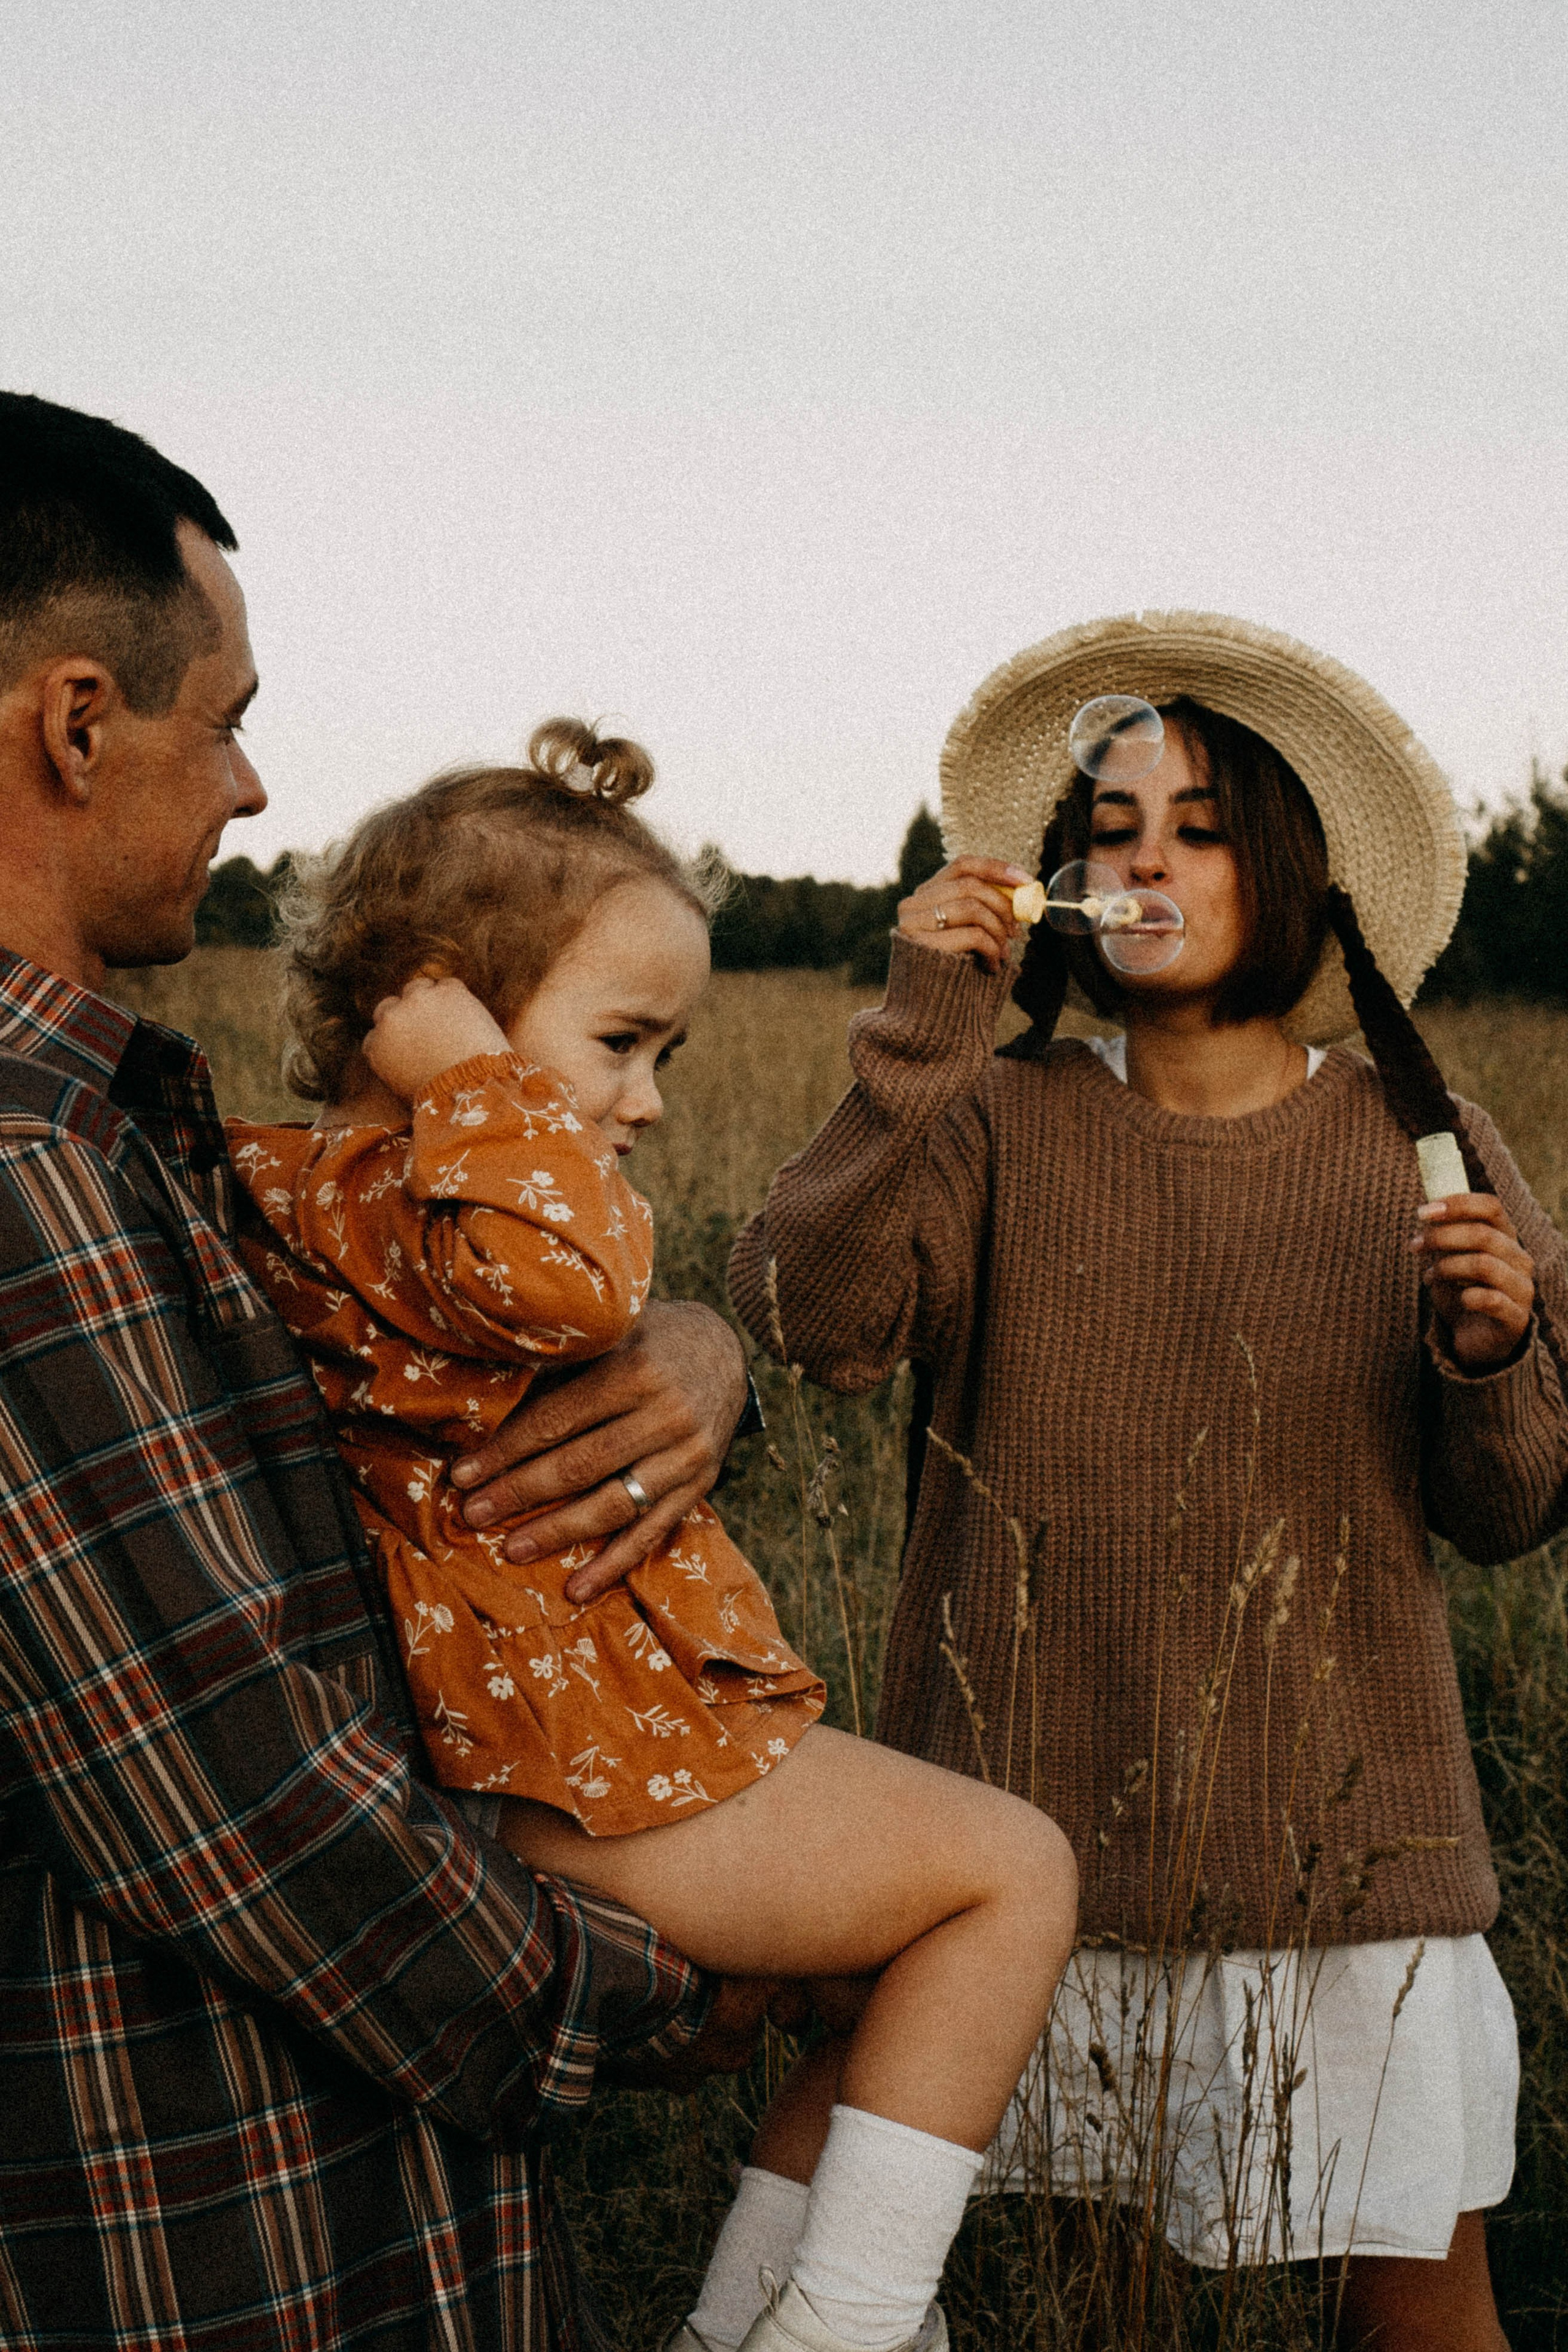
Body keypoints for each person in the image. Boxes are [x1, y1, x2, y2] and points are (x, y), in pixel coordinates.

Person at [0, 388, 783, 2352]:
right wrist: (669, 1991)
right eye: (229, 719)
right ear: (78, 724)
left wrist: (686, 1351)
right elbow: (240, 1803)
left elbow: (427, 1416)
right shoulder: (25, 1174)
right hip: (225, 2251)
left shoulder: (145, 1132)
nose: (257, 790)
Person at [728, 613, 1568, 2352]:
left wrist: (1491, 1357)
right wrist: (921, 1029)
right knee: (863, 2289)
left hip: (1354, 1883)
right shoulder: (990, 1120)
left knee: (1422, 2306)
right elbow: (812, 1317)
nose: (1147, 861)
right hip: (1002, 1870)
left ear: (1292, 871)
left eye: (1196, 827)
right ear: (1056, 881)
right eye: (1112, 829)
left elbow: (1507, 1511)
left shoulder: (1420, 1136)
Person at [226, 735, 1079, 2352]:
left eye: (663, 1048)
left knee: (895, 1972)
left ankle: (769, 2318)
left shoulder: (389, 1195)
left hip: (584, 1743)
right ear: (435, 1008)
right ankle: (843, 2329)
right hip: (566, 1765)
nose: (650, 1098)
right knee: (1013, 1876)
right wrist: (479, 1084)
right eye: (620, 1042)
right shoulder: (415, 1192)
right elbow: (588, 1288)